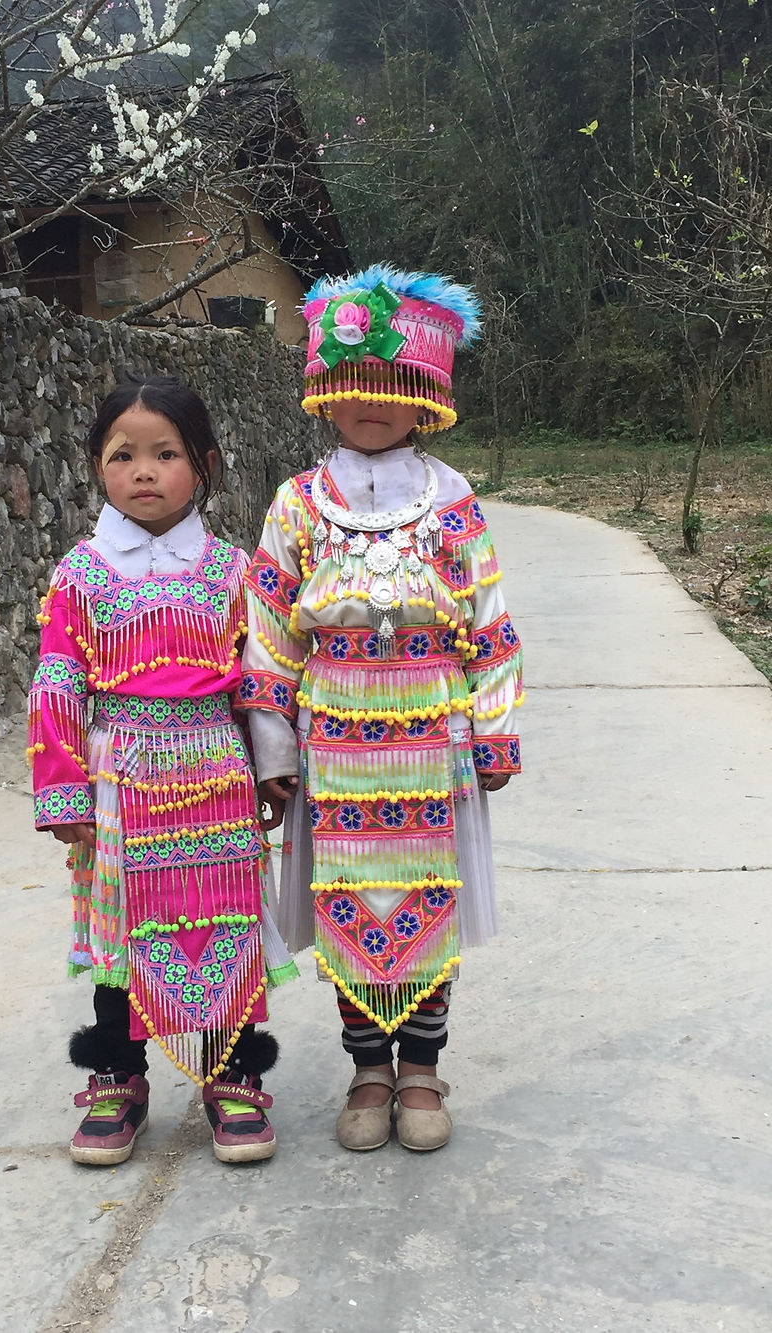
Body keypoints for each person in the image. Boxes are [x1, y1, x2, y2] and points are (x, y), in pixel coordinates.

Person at [239, 265, 523, 1153]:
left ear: (426, 396)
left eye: (396, 386)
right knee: (349, 899)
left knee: (426, 901)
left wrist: (496, 726)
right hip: (337, 747)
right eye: (357, 386)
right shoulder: (297, 503)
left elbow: (488, 619)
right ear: (327, 392)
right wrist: (274, 750)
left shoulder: (453, 503)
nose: (374, 404)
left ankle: (424, 1068)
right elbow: (268, 631)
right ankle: (368, 1066)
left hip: (432, 736)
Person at [28, 374, 296, 1167]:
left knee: (224, 922)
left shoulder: (231, 571)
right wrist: (63, 788)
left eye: (166, 453)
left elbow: (260, 673)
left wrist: (273, 762)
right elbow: (56, 681)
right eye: (123, 455)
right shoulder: (79, 574)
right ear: (97, 468)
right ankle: (118, 1076)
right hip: (119, 780)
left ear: (205, 463)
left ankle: (234, 1074)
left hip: (215, 774)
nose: (143, 471)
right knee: (120, 934)